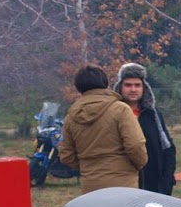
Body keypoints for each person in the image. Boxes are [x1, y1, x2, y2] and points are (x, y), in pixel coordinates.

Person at [58, 64, 148, 194]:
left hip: (90, 185)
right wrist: (139, 164)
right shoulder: (121, 109)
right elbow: (135, 144)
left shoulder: (71, 117)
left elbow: (66, 155)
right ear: (104, 83)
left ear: (78, 86)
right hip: (123, 183)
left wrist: (87, 168)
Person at [114, 62, 177, 194]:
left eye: (137, 85)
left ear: (144, 88)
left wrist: (167, 181)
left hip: (153, 185)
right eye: (128, 85)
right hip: (122, 184)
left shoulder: (153, 115)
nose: (133, 89)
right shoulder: (113, 115)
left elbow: (168, 148)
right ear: (120, 87)